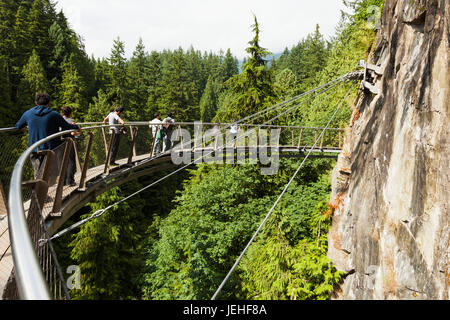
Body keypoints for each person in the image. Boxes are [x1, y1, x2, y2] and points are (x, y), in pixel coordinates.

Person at [15, 93, 80, 180]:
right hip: (52, 149)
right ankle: (52, 187)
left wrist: (29, 125)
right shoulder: (54, 114)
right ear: (49, 103)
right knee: (49, 173)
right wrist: (77, 127)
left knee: (37, 173)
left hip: (35, 148)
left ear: (36, 102)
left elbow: (18, 126)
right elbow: (66, 126)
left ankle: (38, 191)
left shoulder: (28, 114)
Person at [61, 106, 79, 186]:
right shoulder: (71, 121)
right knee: (71, 161)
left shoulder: (59, 120)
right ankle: (70, 181)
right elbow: (75, 132)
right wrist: (77, 134)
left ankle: (63, 181)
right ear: (70, 113)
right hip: (69, 142)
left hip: (59, 143)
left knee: (62, 161)